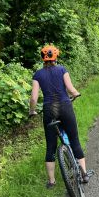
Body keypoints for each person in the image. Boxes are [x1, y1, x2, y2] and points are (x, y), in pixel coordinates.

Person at [29, 45, 89, 188]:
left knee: (50, 146)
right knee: (74, 140)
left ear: (43, 58)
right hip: (65, 106)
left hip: (49, 110)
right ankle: (84, 174)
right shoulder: (62, 69)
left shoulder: (37, 75)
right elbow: (70, 88)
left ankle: (51, 181)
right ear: (56, 57)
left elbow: (33, 98)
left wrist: (32, 111)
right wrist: (75, 94)